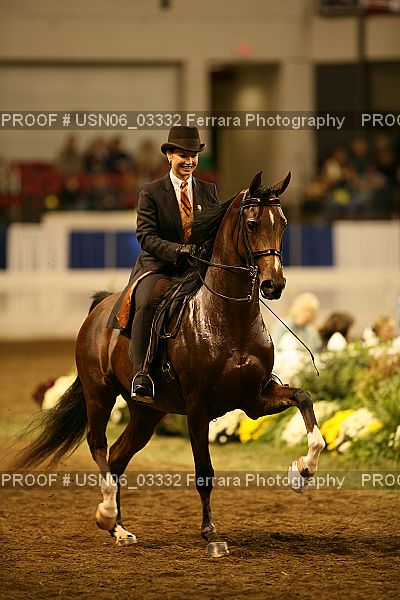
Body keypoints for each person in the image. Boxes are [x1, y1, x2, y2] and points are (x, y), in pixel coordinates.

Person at [107, 126, 219, 403]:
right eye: (183, 155)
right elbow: (146, 236)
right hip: (159, 266)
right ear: (169, 156)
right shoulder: (151, 191)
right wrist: (178, 250)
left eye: (193, 156)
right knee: (147, 303)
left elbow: (215, 232)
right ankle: (141, 373)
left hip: (197, 267)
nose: (189, 161)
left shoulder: (208, 191)